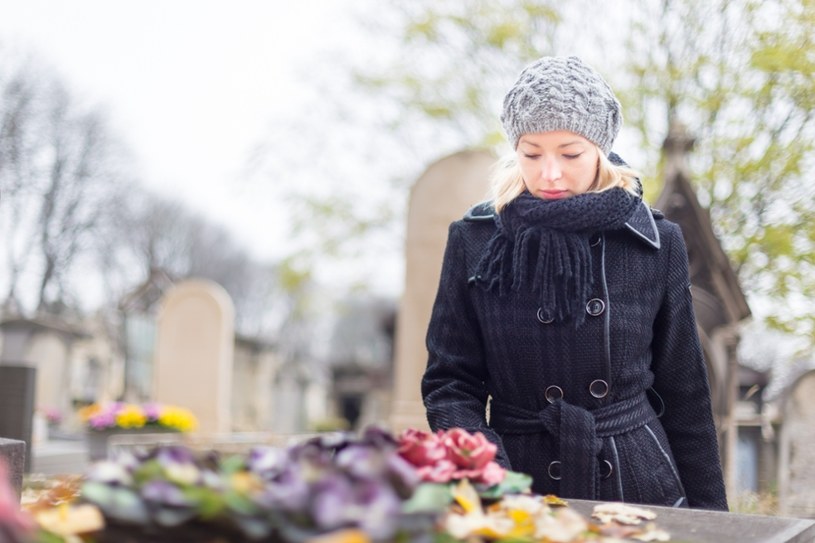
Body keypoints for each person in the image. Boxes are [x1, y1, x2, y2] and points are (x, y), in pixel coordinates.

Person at [421, 56, 728, 510]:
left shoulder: (655, 242)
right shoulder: (476, 240)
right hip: (515, 485)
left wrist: (714, 524)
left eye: (570, 154)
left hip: (637, 488)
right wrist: (492, 481)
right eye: (531, 153)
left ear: (600, 148)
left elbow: (685, 396)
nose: (550, 173)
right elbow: (451, 386)